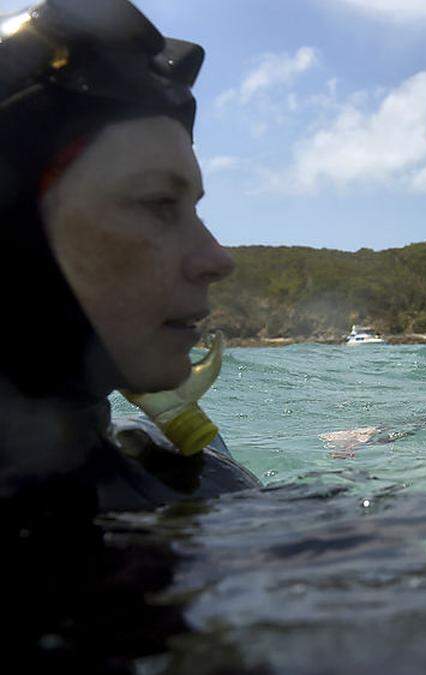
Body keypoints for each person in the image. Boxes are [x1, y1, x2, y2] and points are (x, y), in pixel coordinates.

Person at [0, 0, 259, 514]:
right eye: (159, 204)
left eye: (195, 210)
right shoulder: (210, 504)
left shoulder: (193, 479)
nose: (218, 259)